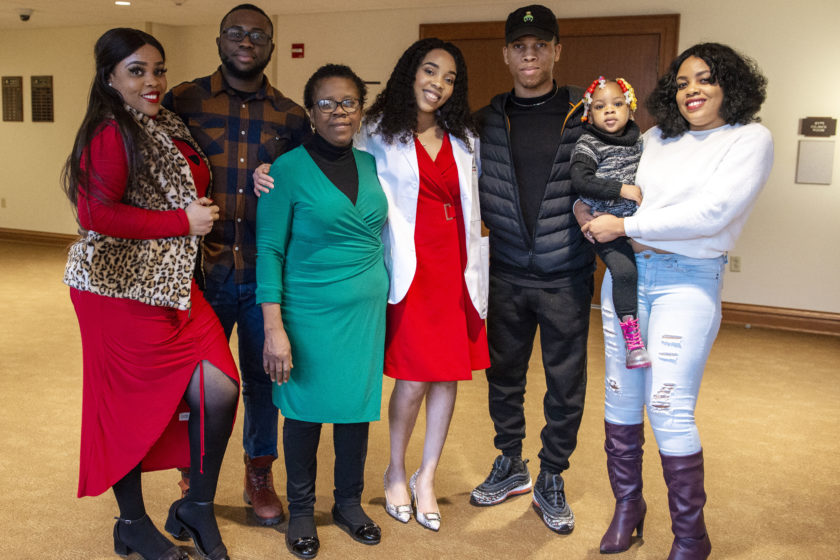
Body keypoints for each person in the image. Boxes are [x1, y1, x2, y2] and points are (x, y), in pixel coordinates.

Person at [578, 43, 773, 558]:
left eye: (706, 79)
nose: (693, 90)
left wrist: (626, 225)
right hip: (628, 279)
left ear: (730, 85)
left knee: (668, 406)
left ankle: (691, 535)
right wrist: (587, 206)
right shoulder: (655, 137)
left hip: (687, 281)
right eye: (684, 82)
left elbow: (711, 214)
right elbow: (619, 187)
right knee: (620, 396)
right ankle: (628, 507)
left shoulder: (750, 138)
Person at [63, 28, 239, 560]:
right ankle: (133, 523)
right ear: (109, 77)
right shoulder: (110, 130)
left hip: (171, 286)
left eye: (158, 69)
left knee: (220, 388)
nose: (152, 80)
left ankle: (196, 506)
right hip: (117, 290)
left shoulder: (162, 121)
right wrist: (180, 221)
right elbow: (95, 213)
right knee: (128, 411)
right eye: (137, 70)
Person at [162, 3, 310, 526]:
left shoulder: (292, 116)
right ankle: (192, 471)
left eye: (258, 35)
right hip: (201, 270)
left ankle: (258, 471)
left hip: (264, 273)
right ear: (220, 40)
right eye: (236, 33)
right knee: (198, 379)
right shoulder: (182, 100)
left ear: (271, 45)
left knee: (264, 376)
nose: (247, 41)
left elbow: (304, 192)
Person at [256, 64, 388, 560]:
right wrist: (274, 328)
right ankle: (303, 510)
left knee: (356, 409)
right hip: (307, 312)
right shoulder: (285, 171)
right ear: (310, 112)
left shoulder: (373, 164)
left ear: (361, 109)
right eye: (327, 103)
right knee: (305, 413)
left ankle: (350, 505)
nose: (338, 112)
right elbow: (269, 251)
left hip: (365, 314)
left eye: (348, 102)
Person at [359, 37, 490, 533]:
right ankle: (395, 468)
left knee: (447, 376)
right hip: (411, 266)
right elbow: (339, 170)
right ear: (410, 72)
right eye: (430, 71)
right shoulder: (375, 130)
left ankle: (426, 476)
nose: (438, 84)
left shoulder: (464, 135)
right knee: (412, 378)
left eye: (449, 78)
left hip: (457, 263)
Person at [470, 4, 591, 535]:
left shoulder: (588, 117)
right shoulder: (486, 120)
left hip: (566, 274)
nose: (529, 54)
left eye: (540, 44)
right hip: (506, 273)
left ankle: (552, 474)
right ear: (506, 55)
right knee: (505, 376)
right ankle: (511, 461)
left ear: (557, 51)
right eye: (520, 46)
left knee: (565, 382)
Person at [571, 76, 651, 369]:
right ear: (589, 114)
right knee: (625, 272)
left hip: (638, 223)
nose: (610, 111)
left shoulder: (640, 139)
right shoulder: (588, 142)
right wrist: (620, 189)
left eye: (618, 104)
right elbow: (581, 180)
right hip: (605, 223)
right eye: (600, 106)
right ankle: (632, 341)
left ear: (630, 107)